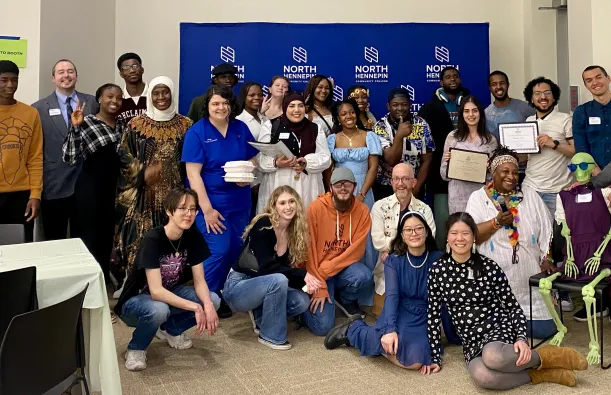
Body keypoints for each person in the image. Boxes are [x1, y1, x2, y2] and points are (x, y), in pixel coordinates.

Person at [427, 212, 587, 389]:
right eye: (454, 233)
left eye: (465, 233)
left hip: (497, 328)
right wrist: (434, 356)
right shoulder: (437, 271)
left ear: (473, 237)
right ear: (447, 237)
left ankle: (548, 356)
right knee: (484, 377)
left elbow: (512, 307)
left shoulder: (489, 267)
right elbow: (433, 315)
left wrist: (521, 338)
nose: (460, 238)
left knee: (493, 357)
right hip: (471, 339)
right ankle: (540, 374)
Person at [115, 187, 220, 372]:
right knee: (159, 309)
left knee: (213, 300)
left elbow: (199, 281)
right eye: (182, 208)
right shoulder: (153, 239)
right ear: (169, 211)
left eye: (192, 209)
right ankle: (136, 348)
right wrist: (195, 306)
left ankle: (170, 330)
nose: (188, 214)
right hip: (136, 300)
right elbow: (155, 291)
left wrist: (207, 305)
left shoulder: (193, 236)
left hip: (170, 292)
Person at [324, 211, 442, 372]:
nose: (414, 233)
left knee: (416, 360)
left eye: (419, 228)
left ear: (427, 232)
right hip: (399, 310)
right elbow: (392, 296)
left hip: (425, 315)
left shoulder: (439, 259)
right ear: (402, 234)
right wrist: (389, 330)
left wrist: (447, 343)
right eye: (408, 230)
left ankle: (370, 338)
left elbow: (447, 298)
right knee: (407, 356)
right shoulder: (394, 260)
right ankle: (355, 331)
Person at [181, 84, 259, 319]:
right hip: (211, 205)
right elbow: (193, 175)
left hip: (240, 203)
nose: (221, 107)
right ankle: (206, 298)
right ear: (207, 106)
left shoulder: (240, 128)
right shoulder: (197, 132)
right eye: (215, 103)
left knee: (235, 250)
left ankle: (222, 295)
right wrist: (207, 211)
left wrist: (248, 174)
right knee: (218, 251)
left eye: (225, 103)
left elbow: (254, 157)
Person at [112, 76, 192, 296]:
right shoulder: (136, 124)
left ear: (172, 93)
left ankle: (167, 283)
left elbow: (191, 159)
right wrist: (142, 172)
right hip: (143, 195)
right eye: (155, 93)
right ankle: (132, 284)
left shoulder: (186, 125)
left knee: (172, 239)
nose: (161, 97)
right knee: (140, 239)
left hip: (174, 195)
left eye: (165, 92)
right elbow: (123, 155)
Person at [465, 146, 555, 339]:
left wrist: (547, 258)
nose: (511, 177)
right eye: (505, 172)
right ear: (493, 173)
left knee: (548, 329)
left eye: (514, 172)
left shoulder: (529, 195)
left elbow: (547, 230)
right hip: (496, 282)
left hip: (529, 279)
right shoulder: (478, 198)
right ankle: (503, 322)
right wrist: (496, 222)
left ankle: (508, 326)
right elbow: (471, 235)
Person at [223, 186, 317, 350]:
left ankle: (261, 315)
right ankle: (271, 335)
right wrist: (303, 275)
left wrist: (306, 285)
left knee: (301, 302)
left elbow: (284, 270)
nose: (288, 207)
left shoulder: (293, 232)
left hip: (268, 286)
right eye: (282, 203)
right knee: (278, 279)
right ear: (274, 207)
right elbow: (268, 269)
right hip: (239, 286)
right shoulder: (264, 225)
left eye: (291, 201)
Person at [62, 83, 124, 280]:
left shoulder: (123, 125)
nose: (114, 101)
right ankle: (85, 288)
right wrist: (76, 127)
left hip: (113, 193)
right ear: (99, 99)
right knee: (88, 240)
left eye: (118, 98)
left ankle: (103, 286)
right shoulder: (87, 122)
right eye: (109, 96)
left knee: (106, 241)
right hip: (90, 192)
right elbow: (69, 156)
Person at [301, 168, 372, 335]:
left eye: (347, 184)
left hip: (337, 270)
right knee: (323, 327)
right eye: (338, 184)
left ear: (354, 187)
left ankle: (344, 299)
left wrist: (325, 272)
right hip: (315, 270)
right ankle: (301, 309)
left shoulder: (362, 211)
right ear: (331, 187)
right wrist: (319, 282)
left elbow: (356, 251)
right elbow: (308, 248)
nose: (343, 188)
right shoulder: (315, 208)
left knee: (363, 276)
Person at [32, 59, 97, 241]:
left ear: (76, 76)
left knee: (85, 240)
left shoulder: (92, 103)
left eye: (70, 71)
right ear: (53, 78)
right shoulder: (38, 109)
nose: (66, 75)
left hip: (86, 183)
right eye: (61, 72)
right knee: (54, 240)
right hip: (54, 185)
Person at [327, 98, 382, 304]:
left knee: (365, 238)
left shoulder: (370, 136)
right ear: (338, 118)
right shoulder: (332, 139)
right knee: (342, 236)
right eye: (343, 114)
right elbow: (329, 171)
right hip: (339, 194)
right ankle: (344, 289)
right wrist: (332, 193)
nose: (348, 116)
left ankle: (365, 295)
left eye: (351, 112)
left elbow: (373, 168)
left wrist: (361, 195)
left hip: (363, 193)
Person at [370, 163, 435, 316]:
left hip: (417, 273)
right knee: (384, 314)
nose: (400, 184)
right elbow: (378, 241)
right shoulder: (379, 207)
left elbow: (428, 240)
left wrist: (393, 250)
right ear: (391, 182)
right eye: (397, 179)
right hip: (387, 275)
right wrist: (409, 245)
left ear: (413, 182)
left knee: (415, 315)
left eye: (405, 179)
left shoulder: (424, 210)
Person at [419, 66, 470, 247]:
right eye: (448, 77)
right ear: (441, 82)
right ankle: (443, 258)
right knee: (443, 221)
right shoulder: (429, 108)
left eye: (455, 76)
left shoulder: (470, 104)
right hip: (441, 175)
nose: (452, 80)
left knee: (468, 220)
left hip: (470, 175)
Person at [257, 92, 330, 213]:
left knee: (305, 223)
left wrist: (307, 162)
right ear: (285, 107)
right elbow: (260, 159)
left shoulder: (315, 128)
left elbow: (325, 158)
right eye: (291, 106)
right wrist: (276, 163)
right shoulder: (271, 126)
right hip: (277, 184)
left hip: (307, 186)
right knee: (278, 224)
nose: (296, 110)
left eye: (300, 105)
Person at [0, 60, 42, 242]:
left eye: (14, 80)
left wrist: (35, 194)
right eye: (4, 80)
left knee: (21, 249)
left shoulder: (30, 113)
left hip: (21, 195)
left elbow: (35, 157)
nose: (10, 85)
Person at [521, 77, 574, 218]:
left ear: (554, 97)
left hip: (557, 190)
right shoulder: (528, 121)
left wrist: (554, 144)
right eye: (537, 93)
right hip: (530, 188)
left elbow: (575, 151)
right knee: (532, 234)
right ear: (531, 99)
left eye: (547, 93)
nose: (543, 97)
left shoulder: (565, 119)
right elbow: (525, 157)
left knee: (556, 236)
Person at [373, 88, 434, 201]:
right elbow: (391, 160)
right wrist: (399, 136)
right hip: (387, 187)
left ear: (410, 105)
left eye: (404, 104)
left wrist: (416, 186)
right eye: (395, 105)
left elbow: (427, 160)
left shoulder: (421, 124)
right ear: (388, 106)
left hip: (413, 185)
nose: (400, 108)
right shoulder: (380, 126)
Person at [440, 95, 498, 214]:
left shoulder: (490, 140)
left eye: (474, 110)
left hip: (482, 196)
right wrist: (447, 162)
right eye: (466, 111)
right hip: (457, 198)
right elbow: (443, 175)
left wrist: (488, 168)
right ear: (461, 114)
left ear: (480, 113)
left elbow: (495, 175)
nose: (471, 115)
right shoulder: (452, 137)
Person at [573, 65, 611, 171]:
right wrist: (600, 177)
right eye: (589, 80)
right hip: (595, 176)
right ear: (586, 85)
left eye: (598, 77)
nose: (595, 83)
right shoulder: (581, 112)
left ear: (608, 78)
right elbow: (581, 149)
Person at [484, 70, 535, 142]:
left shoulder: (524, 107)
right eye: (494, 84)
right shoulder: (485, 114)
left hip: (522, 153)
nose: (498, 87)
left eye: (502, 83)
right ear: (490, 88)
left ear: (508, 85)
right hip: (497, 153)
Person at [117, 53, 147, 123]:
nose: (132, 71)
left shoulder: (155, 95)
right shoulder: (117, 99)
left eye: (135, 66)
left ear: (142, 70)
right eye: (126, 68)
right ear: (121, 74)